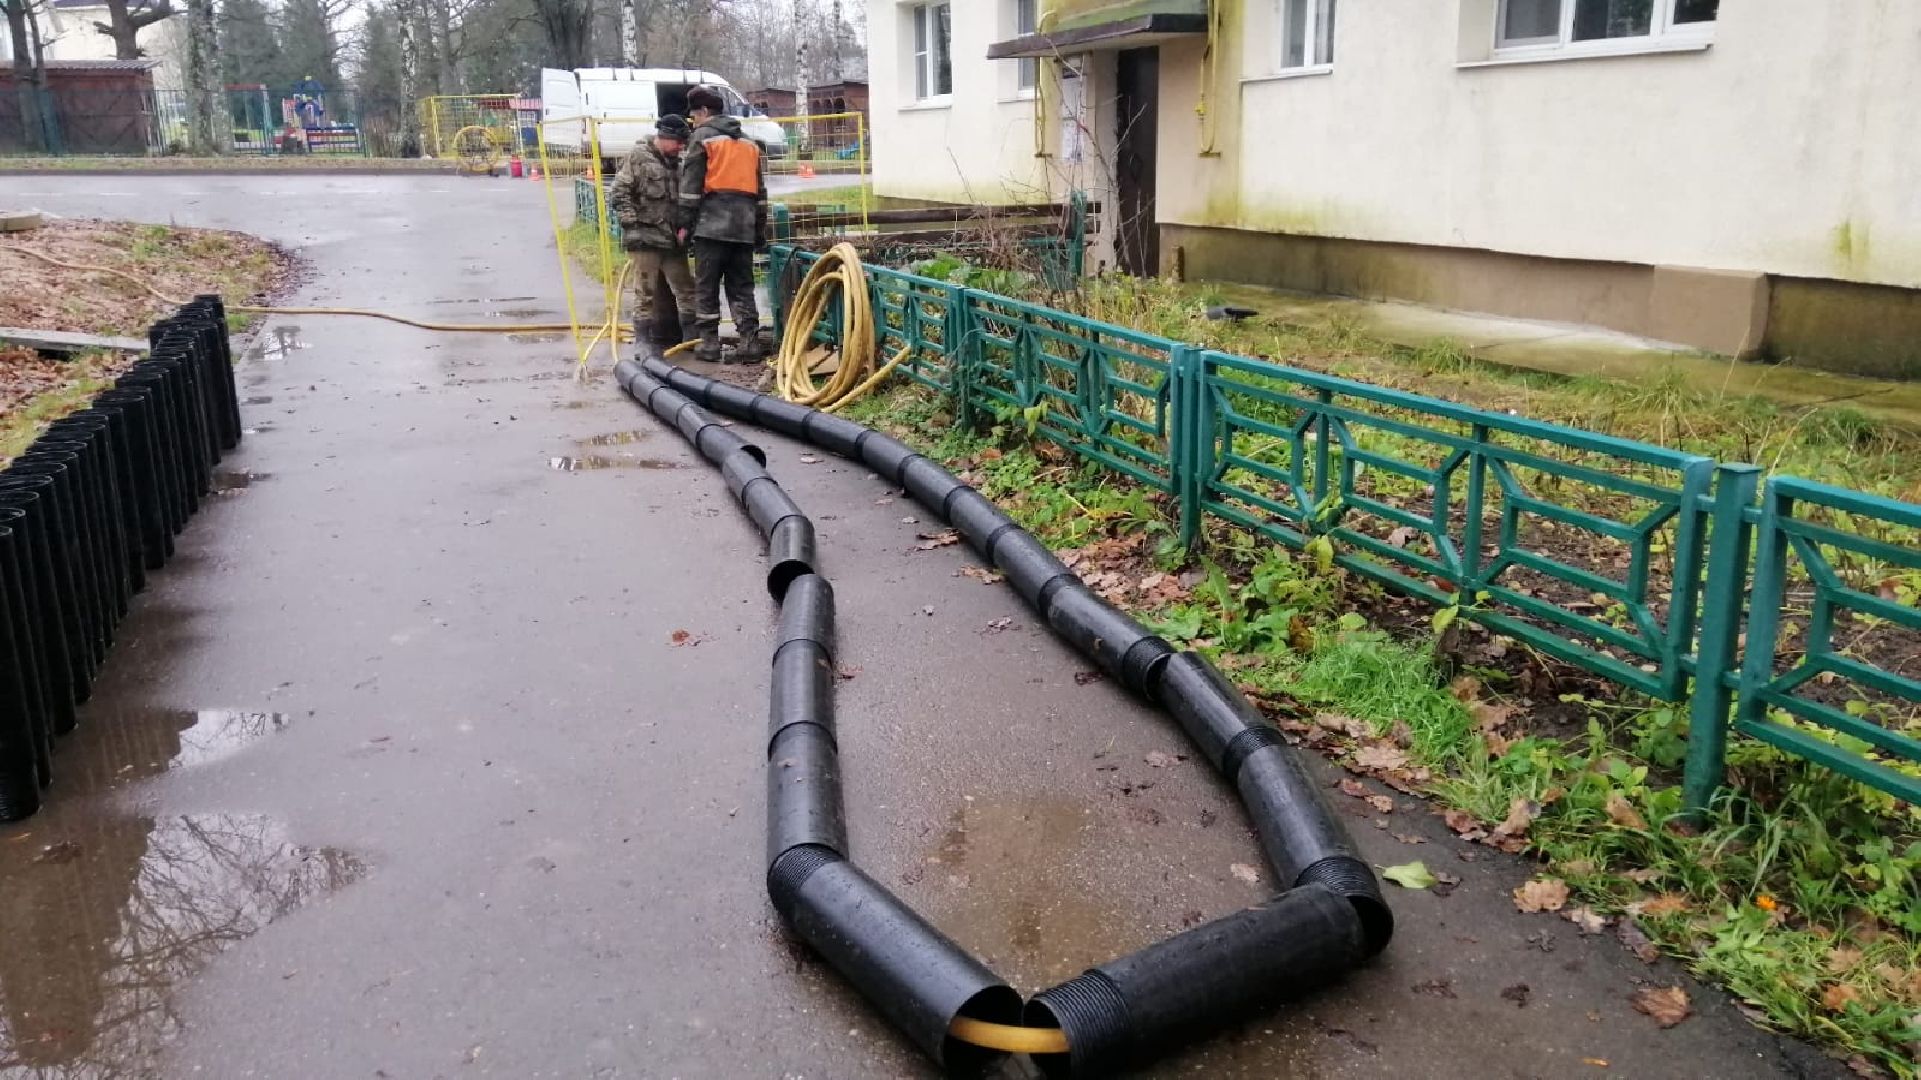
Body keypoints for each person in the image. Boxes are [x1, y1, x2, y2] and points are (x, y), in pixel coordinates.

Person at [678, 84, 768, 364]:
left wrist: (684, 226)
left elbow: (690, 189)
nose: (694, 121)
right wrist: (758, 230)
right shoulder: (750, 144)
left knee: (706, 287)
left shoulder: (702, 138)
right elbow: (761, 194)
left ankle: (709, 344)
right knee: (742, 286)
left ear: (704, 111)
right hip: (743, 228)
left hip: (711, 227)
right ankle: (749, 343)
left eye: (694, 116)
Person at [609, 114, 698, 358]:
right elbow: (619, 193)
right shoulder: (638, 157)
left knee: (685, 288)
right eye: (678, 142)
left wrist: (684, 227)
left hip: (672, 239)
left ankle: (691, 337)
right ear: (664, 137)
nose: (681, 147)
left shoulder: (677, 163)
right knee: (644, 291)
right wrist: (631, 226)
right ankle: (643, 341)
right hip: (645, 238)